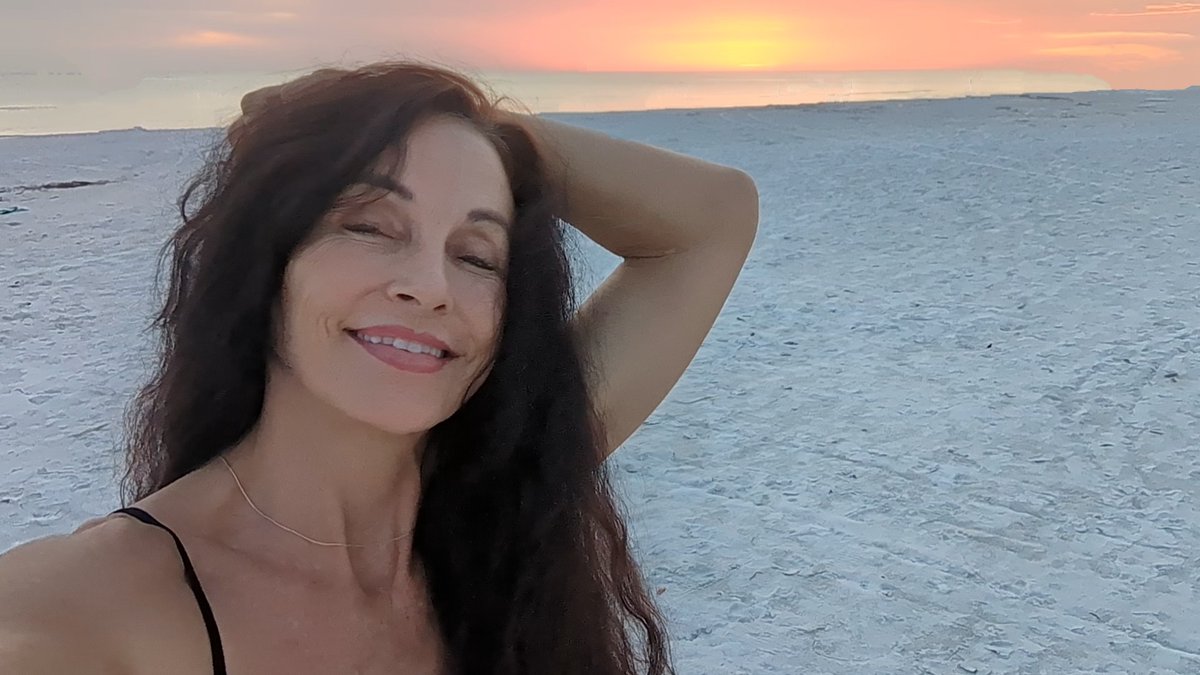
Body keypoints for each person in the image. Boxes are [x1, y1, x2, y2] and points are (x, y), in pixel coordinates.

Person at [0, 61, 758, 674]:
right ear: (265, 265)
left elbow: (714, 216)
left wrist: (471, 125)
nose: (430, 285)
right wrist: (391, 118)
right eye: (369, 226)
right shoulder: (84, 613)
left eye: (476, 254)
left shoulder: (498, 502)